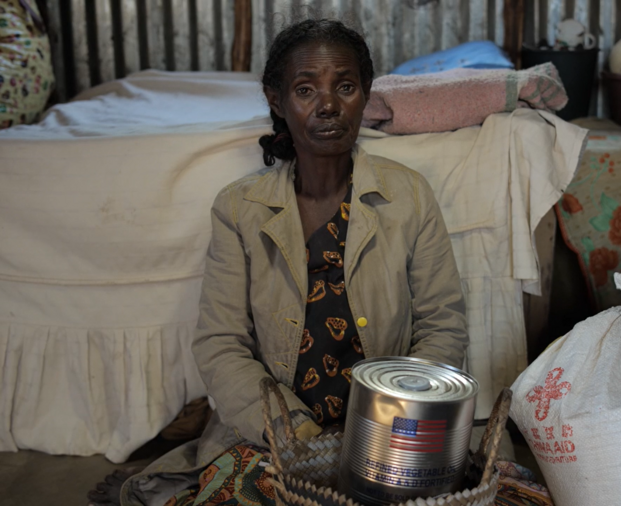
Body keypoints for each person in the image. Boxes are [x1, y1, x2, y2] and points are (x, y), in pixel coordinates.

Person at [99, 18, 468, 506]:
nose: (329, 105)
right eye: (305, 89)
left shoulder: (409, 196)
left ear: (365, 93)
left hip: (387, 442)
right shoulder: (239, 208)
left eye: (346, 86)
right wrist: (295, 432)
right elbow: (220, 343)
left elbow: (444, 323)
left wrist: (391, 424)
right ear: (277, 101)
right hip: (273, 440)